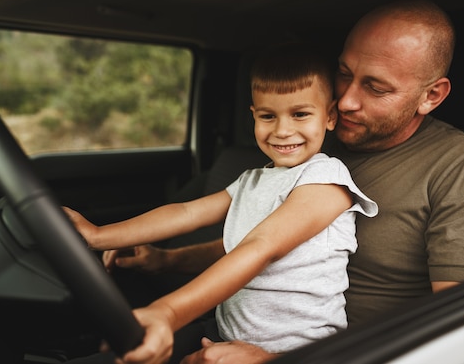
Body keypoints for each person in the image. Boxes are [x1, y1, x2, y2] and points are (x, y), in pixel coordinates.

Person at [102, 0, 464, 364]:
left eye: (376, 88)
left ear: (431, 96)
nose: (345, 101)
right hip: (233, 333)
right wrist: (166, 261)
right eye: (344, 73)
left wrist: (280, 360)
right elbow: (269, 244)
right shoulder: (320, 142)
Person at [65, 43, 378, 364]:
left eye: (300, 114)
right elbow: (187, 212)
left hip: (298, 351)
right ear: (253, 116)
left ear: (329, 117)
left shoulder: (326, 176)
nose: (283, 130)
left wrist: (167, 312)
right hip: (224, 335)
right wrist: (98, 235)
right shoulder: (252, 179)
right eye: (268, 116)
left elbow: (262, 246)